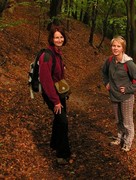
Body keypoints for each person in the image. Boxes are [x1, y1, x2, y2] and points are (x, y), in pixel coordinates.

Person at [102, 36, 136, 152]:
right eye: (113, 46)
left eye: (118, 46)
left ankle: (128, 142)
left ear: (123, 48)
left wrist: (129, 89)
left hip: (126, 97)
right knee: (118, 120)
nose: (115, 48)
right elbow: (104, 72)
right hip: (114, 95)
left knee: (127, 122)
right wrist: (106, 83)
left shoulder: (128, 63)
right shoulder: (110, 60)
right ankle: (119, 138)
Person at [39, 25, 71, 164]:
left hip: (58, 92)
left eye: (61, 37)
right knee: (63, 121)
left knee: (59, 119)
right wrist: (55, 101)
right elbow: (46, 81)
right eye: (56, 37)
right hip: (51, 94)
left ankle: (54, 144)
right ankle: (62, 154)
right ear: (51, 39)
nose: (59, 39)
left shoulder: (57, 53)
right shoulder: (46, 56)